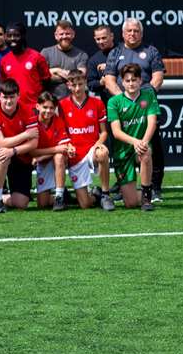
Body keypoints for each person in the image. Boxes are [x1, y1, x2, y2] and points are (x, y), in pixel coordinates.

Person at [103, 18, 166, 200]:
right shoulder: (115, 52)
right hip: (123, 108)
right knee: (122, 146)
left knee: (152, 146)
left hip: (146, 106)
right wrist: (124, 100)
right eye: (129, 31)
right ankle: (124, 184)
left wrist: (142, 97)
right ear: (123, 34)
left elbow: (157, 78)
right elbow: (109, 80)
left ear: (141, 33)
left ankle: (154, 187)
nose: (132, 34)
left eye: (136, 31)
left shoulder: (151, 51)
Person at [105, 64, 158, 211]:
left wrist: (143, 142)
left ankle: (147, 196)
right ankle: (101, 194)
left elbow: (152, 122)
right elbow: (116, 132)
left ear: (140, 80)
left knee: (146, 152)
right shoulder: (114, 102)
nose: (131, 83)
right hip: (122, 151)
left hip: (140, 147)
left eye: (134, 80)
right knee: (130, 203)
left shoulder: (149, 96)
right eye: (127, 80)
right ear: (122, 82)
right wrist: (135, 142)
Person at [0, 78, 41, 213]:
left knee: (22, 203)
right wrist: (25, 135)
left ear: (18, 96)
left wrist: (14, 150)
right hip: (1, 154)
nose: (8, 101)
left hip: (20, 154)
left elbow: (34, 143)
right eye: (5, 97)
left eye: (12, 97)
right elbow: (0, 142)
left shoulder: (28, 111)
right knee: (2, 154)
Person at [59, 68, 113, 212]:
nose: (77, 88)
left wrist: (98, 145)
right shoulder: (62, 105)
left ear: (85, 83)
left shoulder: (97, 103)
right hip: (75, 155)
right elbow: (61, 133)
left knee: (102, 153)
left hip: (91, 150)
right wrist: (68, 145)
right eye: (74, 85)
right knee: (85, 204)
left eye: (80, 84)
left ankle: (105, 195)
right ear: (68, 86)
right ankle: (94, 195)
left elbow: (104, 133)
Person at [27, 91, 74, 212]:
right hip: (42, 161)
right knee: (42, 204)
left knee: (59, 157)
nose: (48, 111)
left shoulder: (58, 121)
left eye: (52, 108)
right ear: (37, 106)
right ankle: (68, 198)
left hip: (52, 161)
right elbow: (31, 152)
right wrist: (53, 150)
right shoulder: (31, 122)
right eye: (45, 107)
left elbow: (63, 147)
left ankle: (59, 196)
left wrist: (68, 149)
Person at [41, 21, 90, 99]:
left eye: (67, 34)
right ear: (56, 36)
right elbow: (41, 76)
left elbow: (80, 76)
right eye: (61, 34)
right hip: (52, 104)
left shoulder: (81, 55)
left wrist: (55, 71)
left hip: (74, 102)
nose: (64, 36)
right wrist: (62, 71)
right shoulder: (45, 53)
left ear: (73, 34)